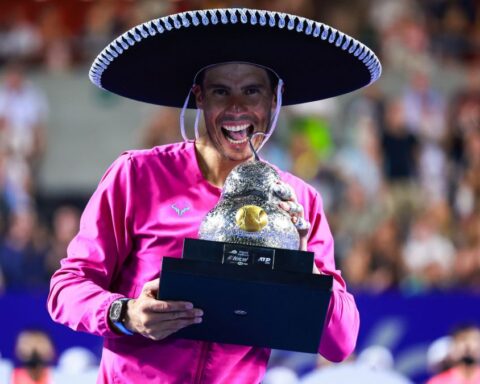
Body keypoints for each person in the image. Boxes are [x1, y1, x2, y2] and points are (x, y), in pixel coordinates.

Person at [48, 8, 381, 383]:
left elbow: (341, 342)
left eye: (252, 90)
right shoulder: (137, 175)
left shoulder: (298, 201)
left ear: (274, 100)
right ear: (199, 97)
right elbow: (67, 288)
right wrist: (125, 314)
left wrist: (304, 266)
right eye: (221, 91)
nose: (237, 107)